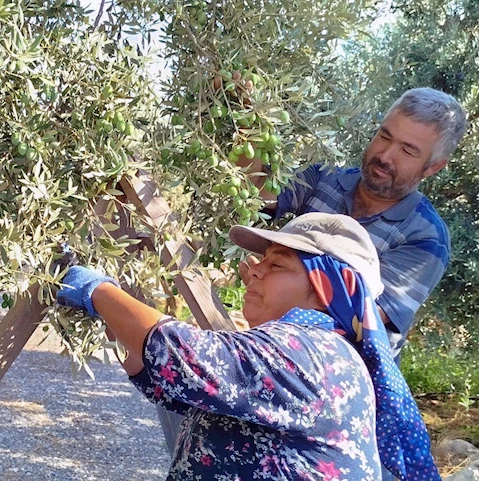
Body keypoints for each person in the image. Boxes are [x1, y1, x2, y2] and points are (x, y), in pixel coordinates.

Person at [57, 213, 439, 480]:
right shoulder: (318, 349)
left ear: (328, 289)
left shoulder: (308, 352)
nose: (254, 270)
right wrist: (124, 322)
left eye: (278, 266)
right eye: (262, 261)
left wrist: (98, 291)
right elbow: (186, 390)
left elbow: (178, 353)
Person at [240, 87, 467, 360]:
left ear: (433, 167)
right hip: (277, 347)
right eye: (384, 136)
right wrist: (248, 119)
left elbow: (364, 315)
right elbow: (255, 197)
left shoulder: (426, 238)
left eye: (407, 151)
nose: (385, 155)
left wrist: (272, 284)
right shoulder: (324, 177)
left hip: (341, 377)